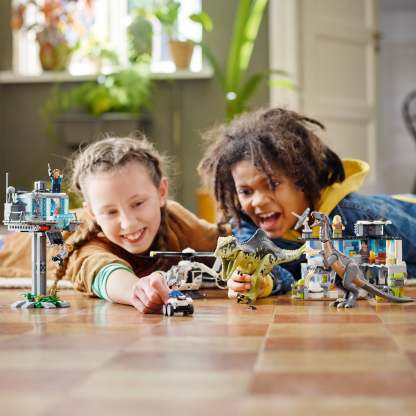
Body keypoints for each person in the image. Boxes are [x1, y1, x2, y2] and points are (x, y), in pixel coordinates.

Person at [198, 107, 416, 299]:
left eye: (273, 184)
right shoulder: (247, 226)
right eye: (246, 192)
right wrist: (258, 280)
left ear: (301, 180)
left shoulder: (359, 217)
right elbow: (271, 267)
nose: (258, 201)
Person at [0, 135, 225, 313]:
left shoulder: (176, 218)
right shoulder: (86, 239)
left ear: (161, 192)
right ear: (92, 212)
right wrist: (136, 289)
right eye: (110, 212)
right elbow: (99, 269)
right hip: (10, 247)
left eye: (138, 203)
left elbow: (221, 240)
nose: (128, 223)